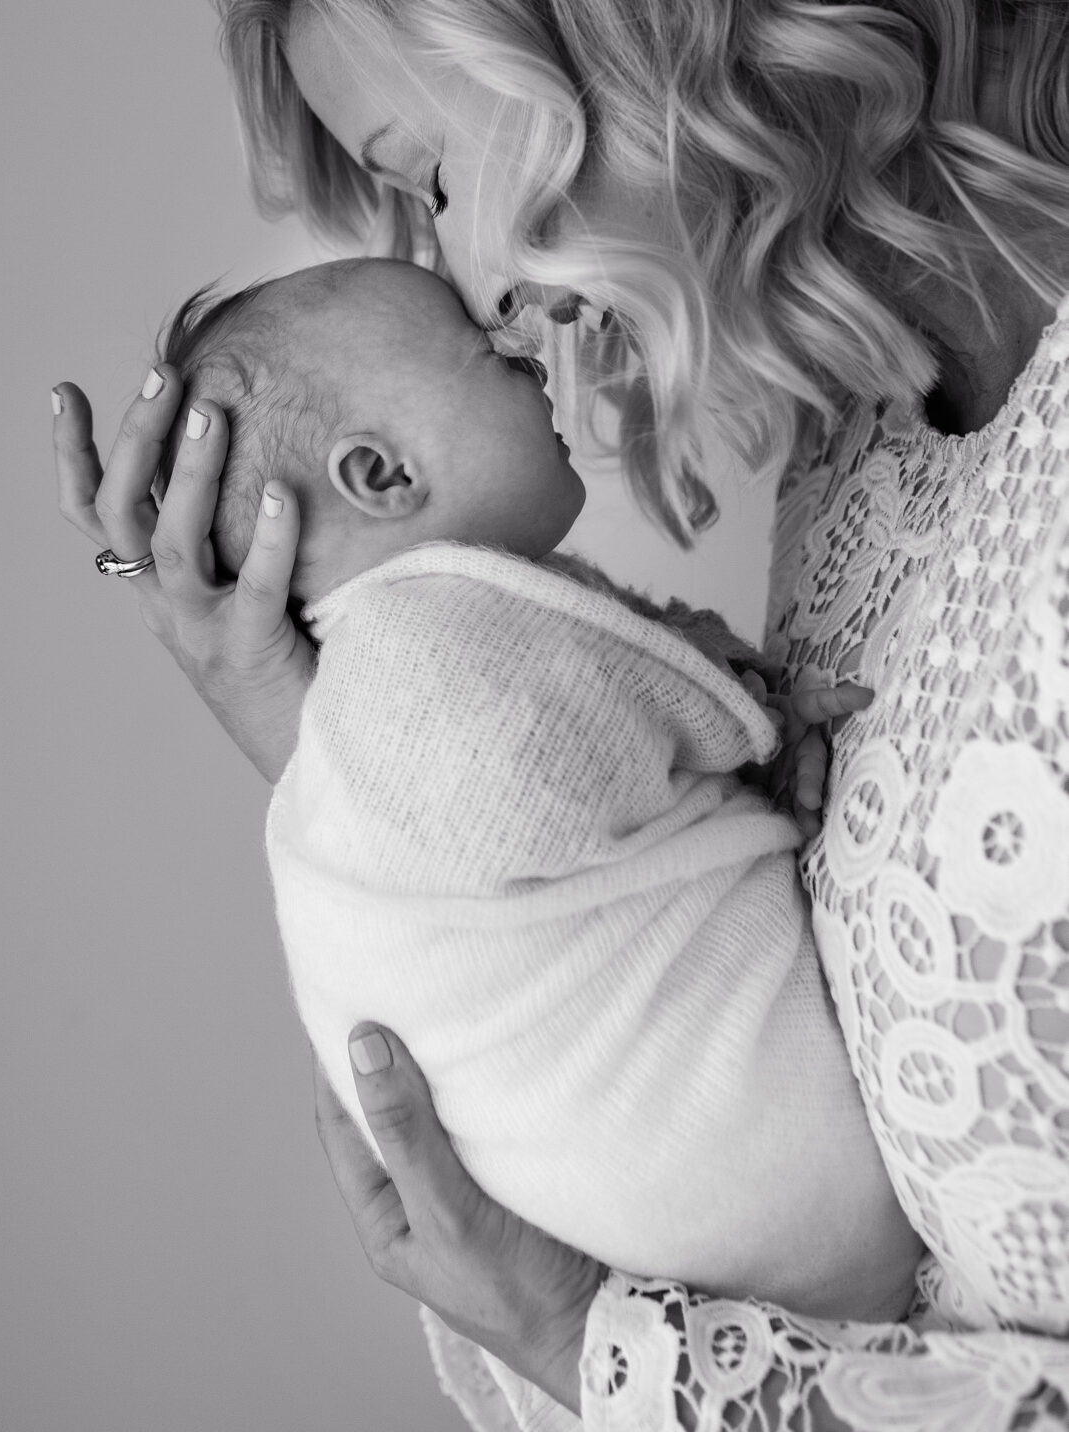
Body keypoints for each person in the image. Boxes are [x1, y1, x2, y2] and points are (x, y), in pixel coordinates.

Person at [53, 0, 1069, 1430]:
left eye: (429, 179)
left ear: (617, 2)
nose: (455, 280)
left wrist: (579, 1337)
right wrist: (321, 727)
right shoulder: (860, 457)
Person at [156, 257, 919, 1355]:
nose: (529, 348)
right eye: (487, 349)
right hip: (753, 1187)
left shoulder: (360, 709)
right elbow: (618, 713)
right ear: (379, 474)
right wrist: (756, 715)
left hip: (678, 1263)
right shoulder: (433, 649)